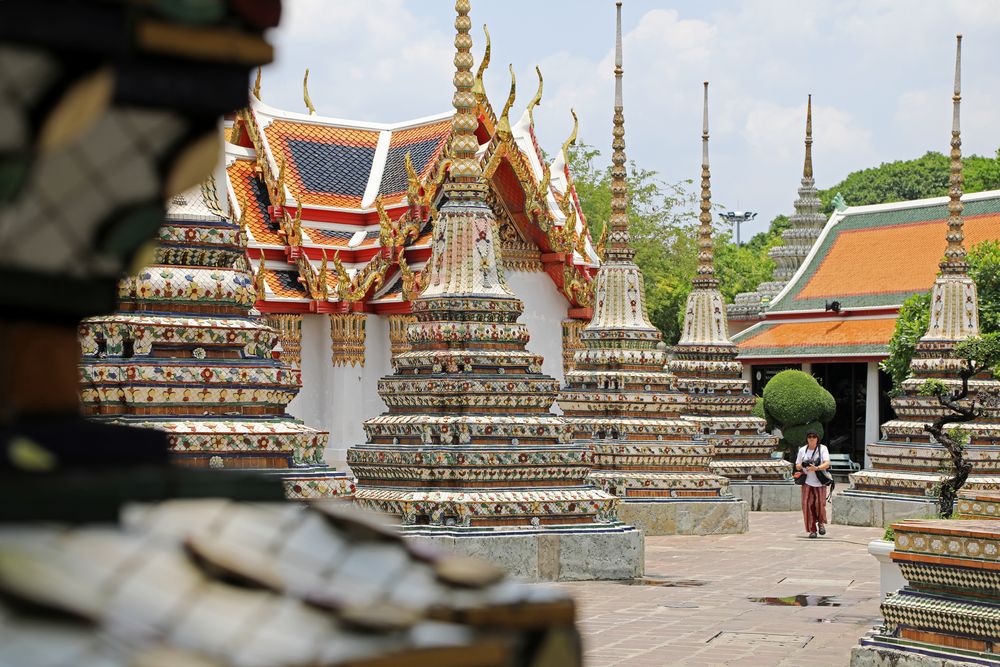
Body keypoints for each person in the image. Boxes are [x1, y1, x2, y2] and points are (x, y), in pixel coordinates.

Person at [795, 431, 831, 538]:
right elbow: (797, 465)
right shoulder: (802, 450)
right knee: (807, 505)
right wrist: (803, 465)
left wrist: (817, 468)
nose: (811, 439)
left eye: (814, 437)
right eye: (809, 437)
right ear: (807, 439)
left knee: (820, 504)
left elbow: (827, 463)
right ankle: (812, 530)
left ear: (817, 438)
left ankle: (821, 523)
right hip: (807, 482)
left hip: (820, 482)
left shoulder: (822, 448)